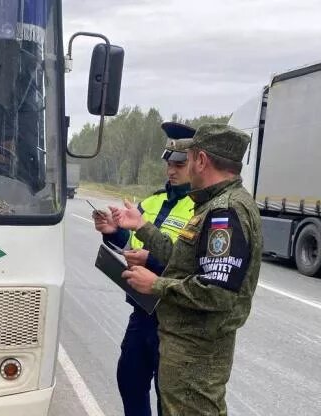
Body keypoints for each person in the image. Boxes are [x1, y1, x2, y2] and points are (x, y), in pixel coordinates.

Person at [114, 124, 262, 416]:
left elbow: (217, 293)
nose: (183, 166)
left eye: (189, 158)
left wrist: (156, 285)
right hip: (188, 346)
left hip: (197, 352)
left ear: (202, 160)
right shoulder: (213, 205)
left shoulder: (225, 212)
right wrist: (143, 228)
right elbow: (184, 260)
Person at [92, 122, 196, 416]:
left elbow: (188, 263)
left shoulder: (199, 210)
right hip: (143, 310)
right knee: (130, 380)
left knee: (169, 396)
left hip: (174, 315)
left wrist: (150, 261)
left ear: (196, 164)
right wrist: (113, 232)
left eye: (179, 163)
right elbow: (133, 245)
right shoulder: (151, 201)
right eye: (168, 162)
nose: (171, 170)